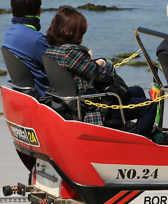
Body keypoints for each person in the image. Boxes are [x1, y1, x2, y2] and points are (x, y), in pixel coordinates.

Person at [44, 7, 157, 137]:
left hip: (71, 105)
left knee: (138, 91)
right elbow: (105, 77)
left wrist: (91, 62)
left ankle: (133, 132)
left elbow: (83, 70)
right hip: (92, 109)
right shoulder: (71, 53)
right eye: (81, 32)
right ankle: (144, 144)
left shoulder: (51, 50)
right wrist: (99, 62)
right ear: (72, 32)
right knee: (150, 106)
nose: (82, 36)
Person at [2, 0, 49, 97]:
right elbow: (61, 64)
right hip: (45, 95)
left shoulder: (9, 32)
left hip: (23, 92)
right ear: (39, 10)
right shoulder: (37, 39)